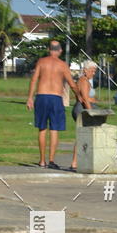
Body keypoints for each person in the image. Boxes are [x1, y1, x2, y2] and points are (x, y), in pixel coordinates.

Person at [27, 40, 82, 168]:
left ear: (49, 49)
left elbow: (34, 79)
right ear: (60, 50)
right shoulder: (62, 65)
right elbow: (71, 83)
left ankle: (42, 161)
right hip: (56, 98)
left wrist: (30, 97)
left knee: (42, 128)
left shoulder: (41, 62)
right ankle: (51, 160)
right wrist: (78, 95)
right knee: (54, 129)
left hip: (41, 96)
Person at [70, 60, 97, 171]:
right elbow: (85, 99)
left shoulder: (85, 80)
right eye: (92, 70)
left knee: (86, 136)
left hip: (83, 107)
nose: (93, 73)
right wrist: (91, 112)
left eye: (94, 71)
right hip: (82, 109)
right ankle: (75, 162)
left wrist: (92, 100)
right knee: (82, 135)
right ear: (85, 70)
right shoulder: (83, 81)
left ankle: (80, 161)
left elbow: (84, 97)